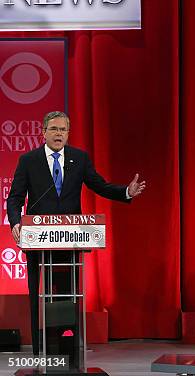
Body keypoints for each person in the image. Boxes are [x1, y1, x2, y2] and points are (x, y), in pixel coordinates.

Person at [7, 111, 146, 356]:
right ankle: (40, 350)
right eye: (54, 129)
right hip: (36, 239)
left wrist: (126, 192)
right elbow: (15, 197)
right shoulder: (28, 160)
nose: (58, 134)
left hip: (68, 239)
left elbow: (99, 185)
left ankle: (65, 347)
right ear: (44, 132)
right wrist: (17, 223)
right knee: (37, 293)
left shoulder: (78, 159)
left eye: (63, 130)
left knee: (65, 294)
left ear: (68, 133)